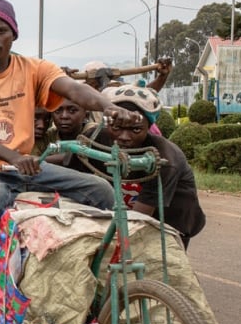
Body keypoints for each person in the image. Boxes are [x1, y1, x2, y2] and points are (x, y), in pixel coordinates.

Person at [0, 0, 143, 324]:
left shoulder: (32, 68)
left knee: (100, 190)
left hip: (25, 167)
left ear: (13, 34)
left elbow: (75, 89)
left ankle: (104, 273)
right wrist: (12, 157)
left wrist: (109, 107)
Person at [73, 84, 206, 249]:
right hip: (127, 212)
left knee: (164, 268)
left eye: (135, 129)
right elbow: (69, 168)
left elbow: (138, 219)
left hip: (170, 222)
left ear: (149, 128)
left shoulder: (163, 158)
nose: (124, 137)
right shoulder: (94, 139)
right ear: (108, 124)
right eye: (117, 127)